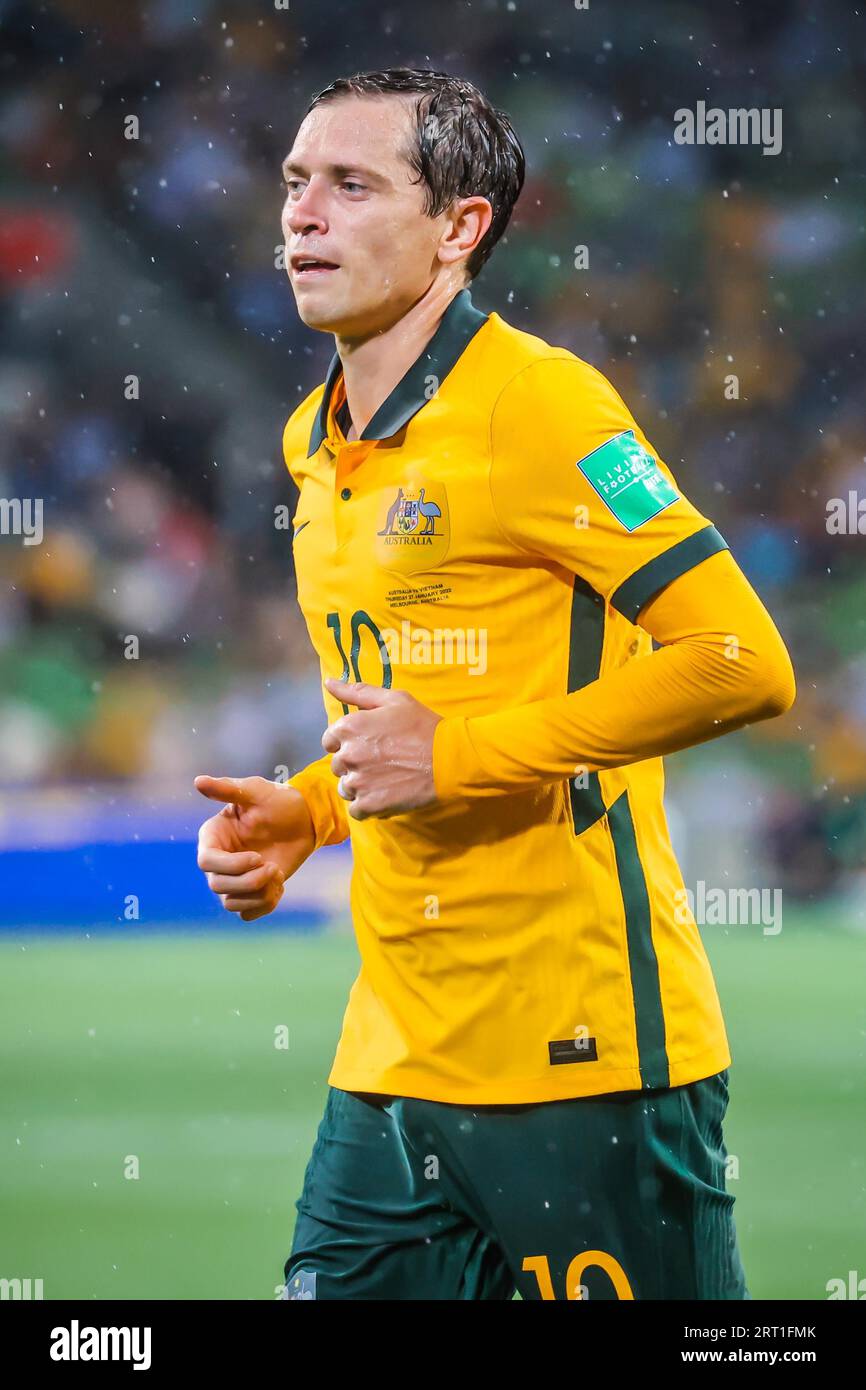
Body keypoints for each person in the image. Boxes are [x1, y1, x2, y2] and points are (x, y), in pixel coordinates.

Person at [195, 68, 796, 1301]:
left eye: (351, 185)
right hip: (395, 1058)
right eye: (295, 183)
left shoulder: (542, 405)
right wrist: (308, 808)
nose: (300, 215)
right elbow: (408, 702)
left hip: (585, 1060)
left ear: (458, 228)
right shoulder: (312, 440)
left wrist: (458, 761)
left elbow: (741, 661)